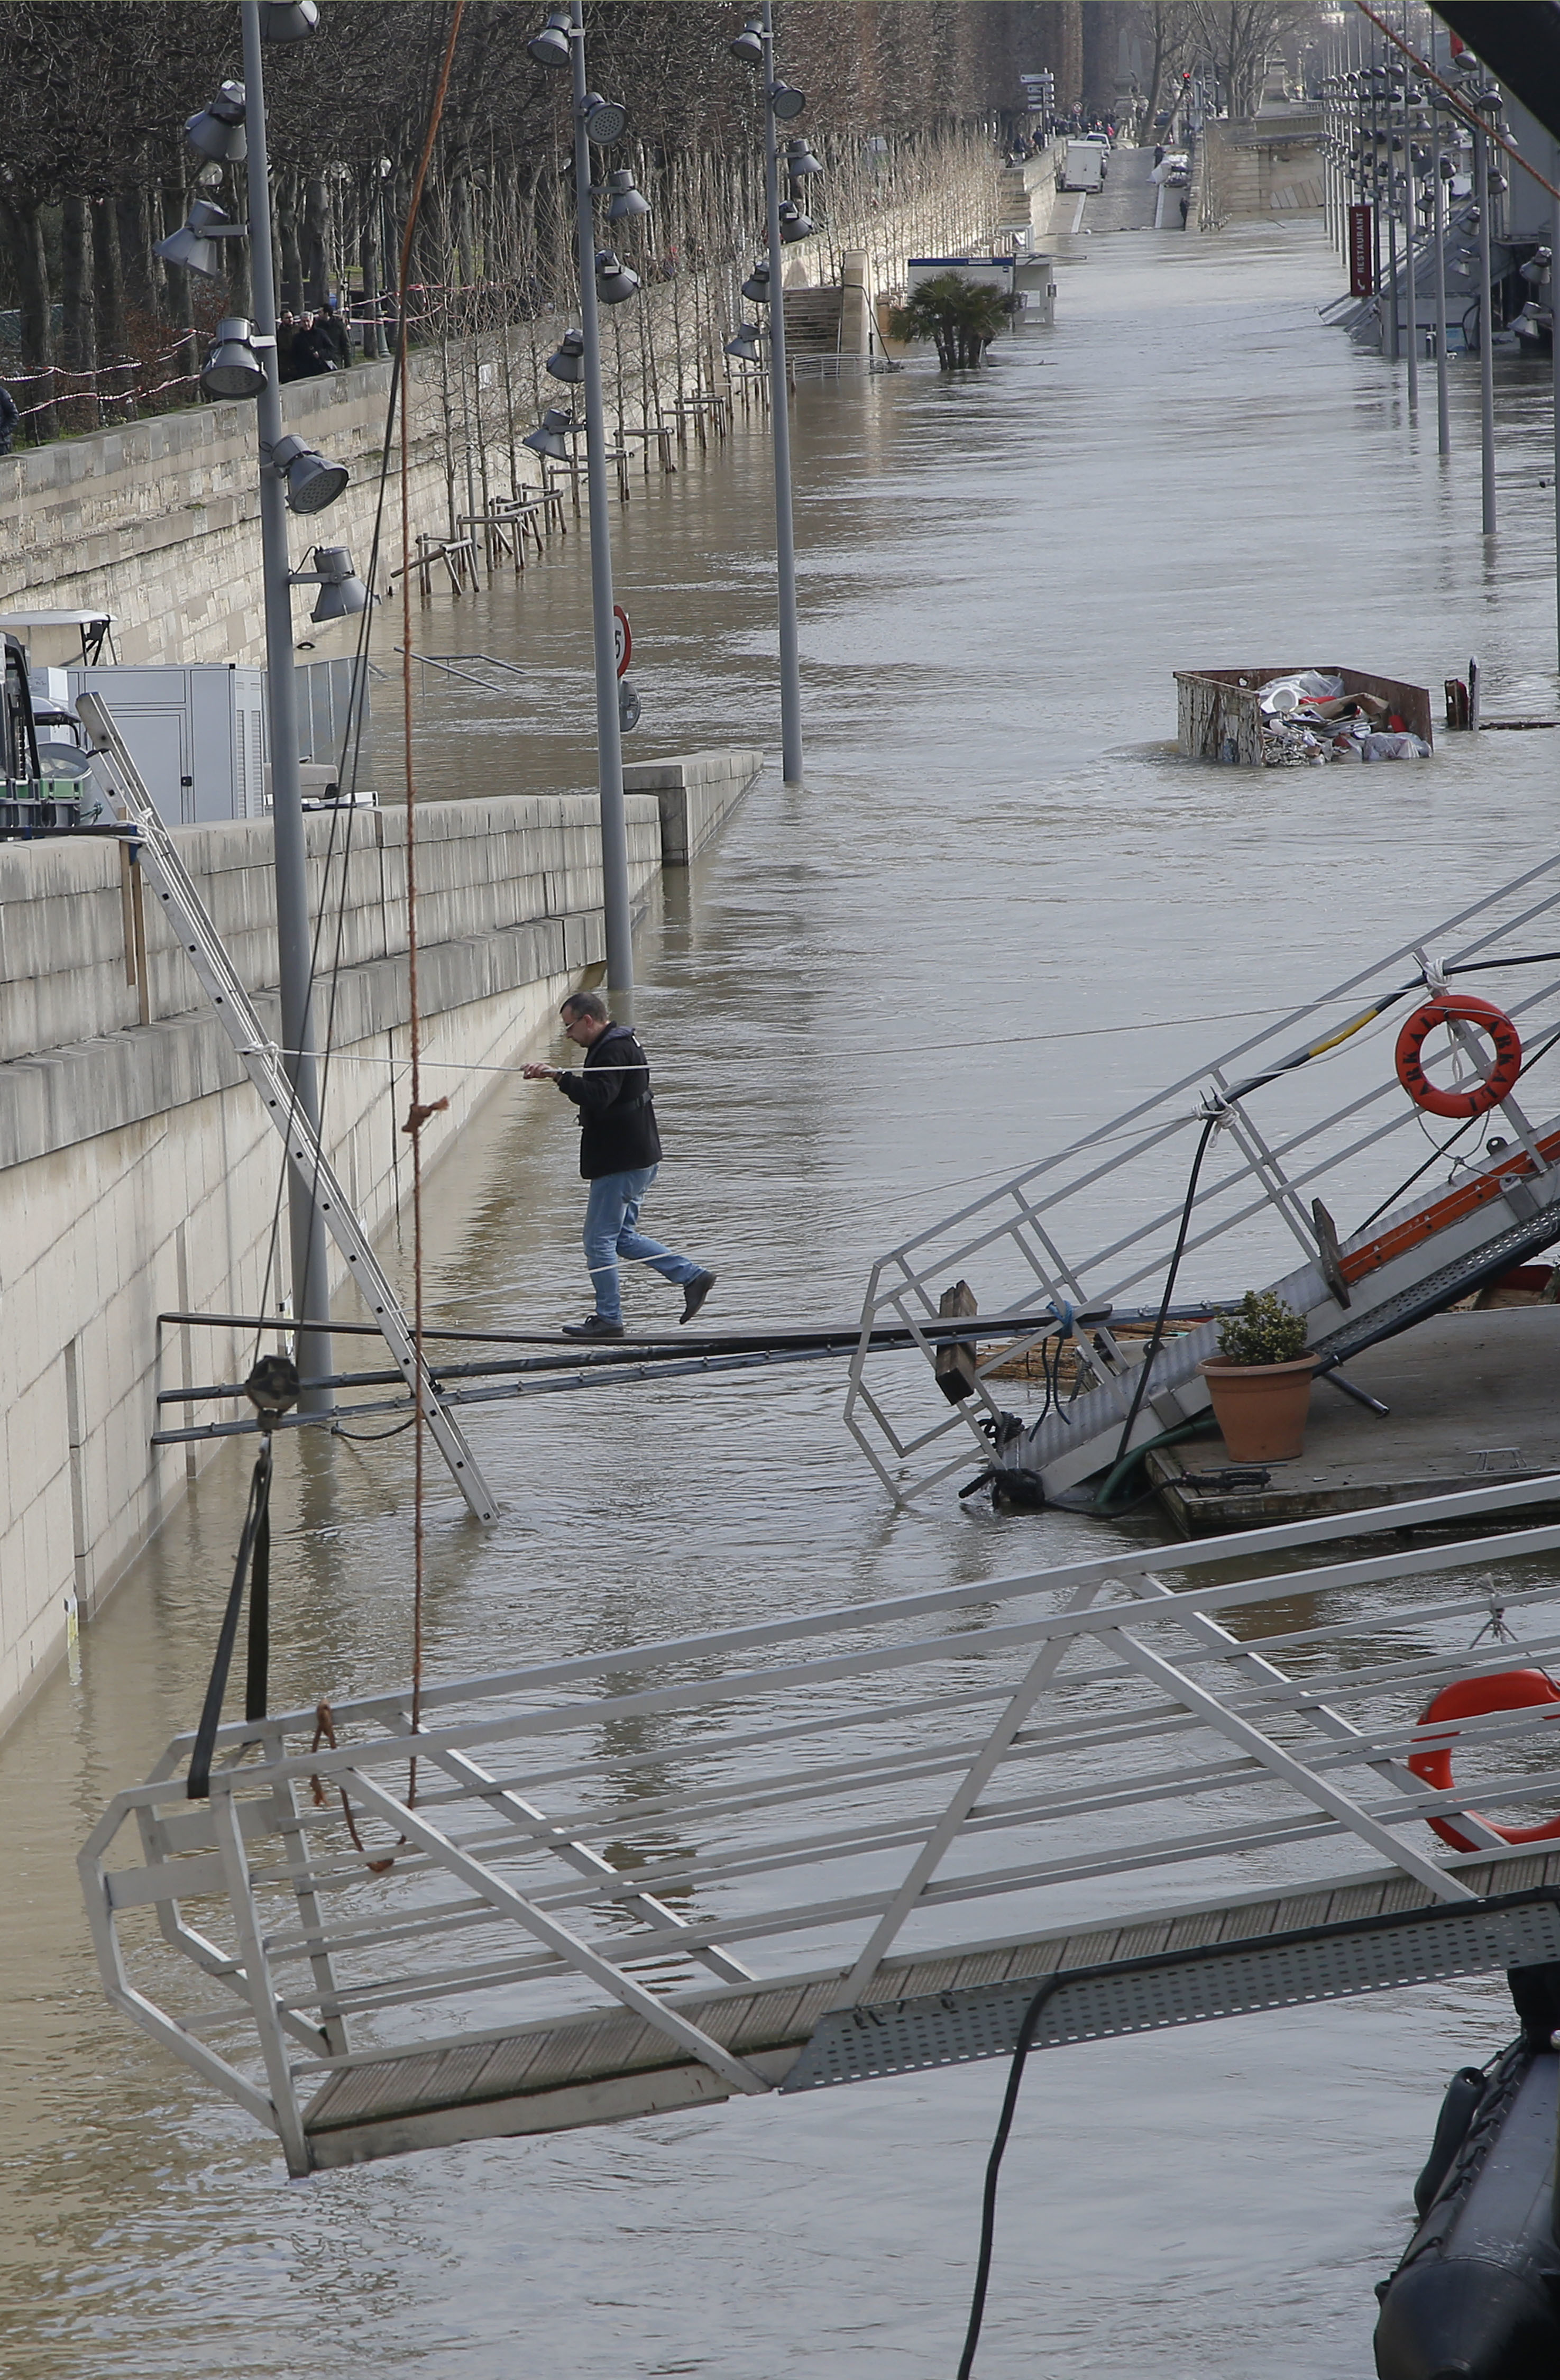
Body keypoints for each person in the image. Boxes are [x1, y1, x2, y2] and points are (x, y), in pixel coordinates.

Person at [522, 990, 716, 1339]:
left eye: (569, 1027)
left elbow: (599, 1097)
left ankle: (609, 1318)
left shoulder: (612, 1050)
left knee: (598, 1242)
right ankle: (692, 1276)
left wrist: (557, 1077)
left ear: (588, 1021)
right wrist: (558, 1074)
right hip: (639, 1158)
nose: (567, 1035)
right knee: (622, 1238)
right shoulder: (621, 1041)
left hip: (622, 1163)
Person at [319, 295, 353, 370]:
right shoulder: (317, 325)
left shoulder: (339, 325)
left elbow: (346, 345)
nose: (319, 315)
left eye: (321, 312)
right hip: (321, 361)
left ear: (327, 314)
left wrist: (349, 365)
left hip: (335, 360)